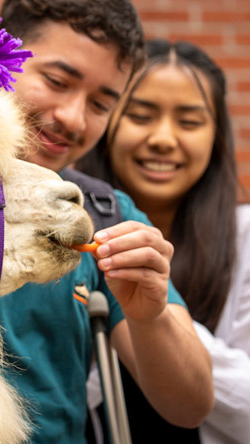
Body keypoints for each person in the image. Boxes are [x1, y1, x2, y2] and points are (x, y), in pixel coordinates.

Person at [0, 0, 214, 444]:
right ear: (0, 54)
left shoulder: (102, 214)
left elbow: (190, 405)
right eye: (57, 80)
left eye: (101, 104)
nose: (73, 117)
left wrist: (150, 315)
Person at [78, 38, 250, 444]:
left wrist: (159, 313)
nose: (163, 138)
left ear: (217, 137)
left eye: (189, 122)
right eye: (140, 116)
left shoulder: (245, 238)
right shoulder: (68, 236)